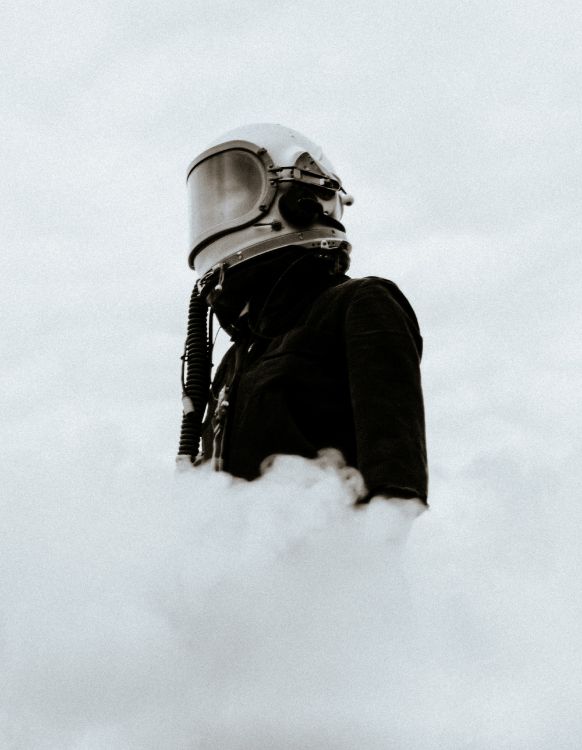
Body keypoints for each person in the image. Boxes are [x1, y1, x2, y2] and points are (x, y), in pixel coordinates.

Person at [178, 123, 428, 517]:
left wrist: (371, 559)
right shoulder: (236, 359)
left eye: (241, 190)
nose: (221, 213)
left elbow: (395, 478)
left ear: (304, 196)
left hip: (327, 567)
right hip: (242, 570)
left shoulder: (359, 304)